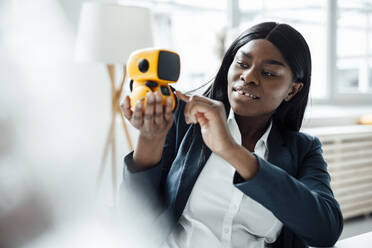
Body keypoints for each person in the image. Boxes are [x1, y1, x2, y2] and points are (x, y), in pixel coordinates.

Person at [120, 22, 343, 248]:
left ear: (292, 90)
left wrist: (230, 150)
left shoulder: (304, 149)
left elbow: (325, 230)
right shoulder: (185, 119)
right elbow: (133, 218)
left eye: (268, 73)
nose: (248, 77)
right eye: (242, 64)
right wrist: (150, 139)